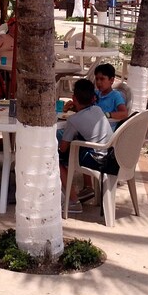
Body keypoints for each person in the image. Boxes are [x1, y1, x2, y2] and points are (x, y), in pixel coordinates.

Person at [59, 79, 113, 214]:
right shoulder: (97, 109)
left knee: (57, 160)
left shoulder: (73, 120)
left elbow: (63, 148)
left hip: (97, 159)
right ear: (93, 98)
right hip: (111, 154)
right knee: (77, 145)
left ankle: (73, 201)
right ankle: (88, 188)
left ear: (73, 98)